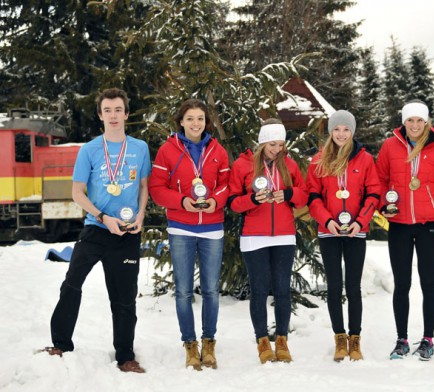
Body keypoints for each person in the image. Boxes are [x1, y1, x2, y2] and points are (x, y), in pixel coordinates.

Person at [42, 88, 151, 373]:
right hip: (96, 228)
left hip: (127, 231)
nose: (113, 115)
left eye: (118, 110)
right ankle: (61, 344)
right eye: (107, 110)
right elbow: (77, 193)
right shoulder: (89, 149)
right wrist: (103, 217)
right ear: (100, 115)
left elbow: (143, 187)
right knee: (72, 283)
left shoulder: (139, 148)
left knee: (125, 298)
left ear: (126, 114)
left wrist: (141, 214)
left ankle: (125, 356)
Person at [148, 99, 229, 370]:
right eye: (191, 118)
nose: (196, 123)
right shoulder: (167, 151)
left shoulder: (218, 151)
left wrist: (216, 201)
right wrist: (181, 201)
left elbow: (227, 184)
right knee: (183, 291)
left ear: (207, 122)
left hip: (212, 227)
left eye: (201, 118)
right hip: (181, 227)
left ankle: (209, 344)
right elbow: (157, 188)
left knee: (211, 291)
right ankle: (190, 345)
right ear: (181, 121)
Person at [376, 100, 434, 361]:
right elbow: (379, 181)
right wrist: (381, 207)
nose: (414, 125)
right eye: (410, 120)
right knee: (402, 284)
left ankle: (428, 339)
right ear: (404, 122)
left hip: (428, 226)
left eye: (419, 121)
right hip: (398, 224)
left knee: (428, 282)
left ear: (426, 122)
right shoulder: (390, 146)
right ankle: (401, 339)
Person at [227, 119, 308, 364]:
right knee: (259, 290)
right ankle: (262, 340)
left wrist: (290, 194)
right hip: (254, 236)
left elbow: (303, 197)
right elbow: (232, 202)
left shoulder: (289, 165)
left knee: (282, 289)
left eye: (281, 144)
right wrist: (253, 199)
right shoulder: (243, 165)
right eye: (272, 144)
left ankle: (281, 339)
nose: (277, 149)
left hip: (284, 235)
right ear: (262, 142)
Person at [306, 110, 381, 362]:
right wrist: (327, 220)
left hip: (356, 232)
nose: (341, 134)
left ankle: (355, 339)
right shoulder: (318, 160)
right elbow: (313, 197)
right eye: (337, 129)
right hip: (329, 232)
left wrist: (361, 222)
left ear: (352, 132)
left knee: (354, 287)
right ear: (331, 132)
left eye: (346, 129)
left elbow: (374, 194)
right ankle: (340, 338)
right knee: (335, 286)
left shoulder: (365, 159)